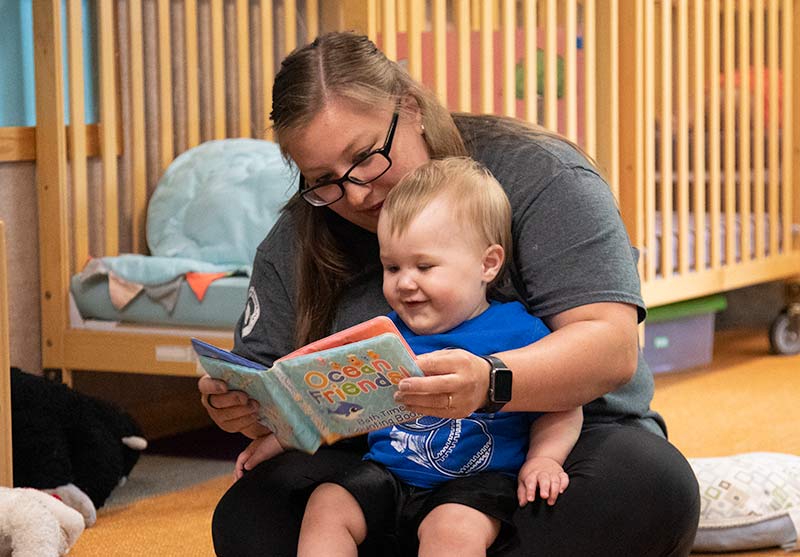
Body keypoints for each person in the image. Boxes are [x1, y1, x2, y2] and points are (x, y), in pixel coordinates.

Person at [200, 31, 700, 557]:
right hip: (381, 462)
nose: (356, 193)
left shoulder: (542, 176)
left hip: (549, 444)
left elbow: (610, 347)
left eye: (366, 157)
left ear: (410, 109)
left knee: (649, 488)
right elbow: (266, 381)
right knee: (250, 516)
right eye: (324, 179)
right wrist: (239, 406)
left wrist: (493, 383)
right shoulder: (301, 233)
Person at [235, 158, 583, 557]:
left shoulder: (520, 332)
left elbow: (561, 402)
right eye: (392, 266)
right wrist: (282, 437)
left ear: (488, 264)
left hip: (476, 483)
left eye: (424, 266)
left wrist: (544, 460)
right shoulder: (382, 335)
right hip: (389, 473)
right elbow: (335, 403)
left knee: (452, 530)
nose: (405, 282)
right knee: (328, 503)